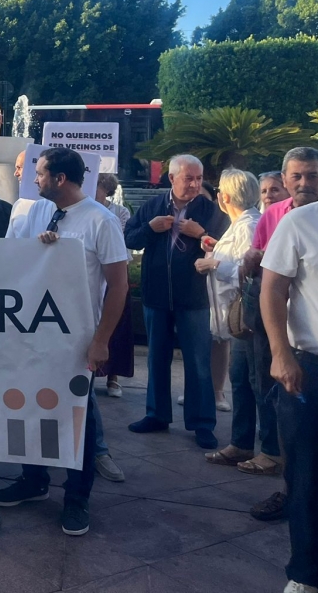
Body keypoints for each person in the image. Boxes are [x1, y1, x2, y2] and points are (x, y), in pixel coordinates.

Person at [0, 147, 130, 536]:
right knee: (30, 408)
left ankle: (77, 497)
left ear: (60, 179)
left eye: (39, 173)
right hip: (35, 334)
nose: (33, 179)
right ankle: (34, 479)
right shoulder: (39, 211)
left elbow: (119, 286)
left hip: (76, 340)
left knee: (77, 418)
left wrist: (101, 341)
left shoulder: (101, 221)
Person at [260, 142, 318, 593]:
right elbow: (272, 290)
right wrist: (281, 354)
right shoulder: (301, 222)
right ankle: (305, 576)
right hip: (312, 375)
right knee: (307, 482)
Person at [242, 147, 318, 523]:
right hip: (283, 337)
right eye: (296, 176)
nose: (304, 183)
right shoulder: (275, 215)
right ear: (284, 179)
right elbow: (267, 278)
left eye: (312, 175)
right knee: (284, 413)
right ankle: (294, 493)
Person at [125, 153, 226, 449]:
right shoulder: (153, 206)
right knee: (157, 358)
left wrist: (201, 234)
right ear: (171, 178)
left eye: (198, 178)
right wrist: (150, 228)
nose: (194, 184)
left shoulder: (211, 210)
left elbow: (225, 249)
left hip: (194, 297)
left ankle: (202, 423)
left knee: (198, 362)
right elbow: (129, 238)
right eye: (188, 178)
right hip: (156, 296)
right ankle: (156, 415)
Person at [199, 170, 268, 469]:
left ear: (224, 197)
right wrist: (216, 250)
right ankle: (241, 443)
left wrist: (213, 263)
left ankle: (268, 449)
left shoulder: (249, 224)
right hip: (238, 318)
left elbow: (250, 269)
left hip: (247, 317)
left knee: (255, 381)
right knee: (241, 380)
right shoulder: (242, 223)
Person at [95, 173, 133, 399]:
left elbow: (119, 238)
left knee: (117, 325)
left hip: (114, 271)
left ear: (106, 188)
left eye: (98, 185)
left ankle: (113, 376)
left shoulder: (120, 212)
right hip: (92, 272)